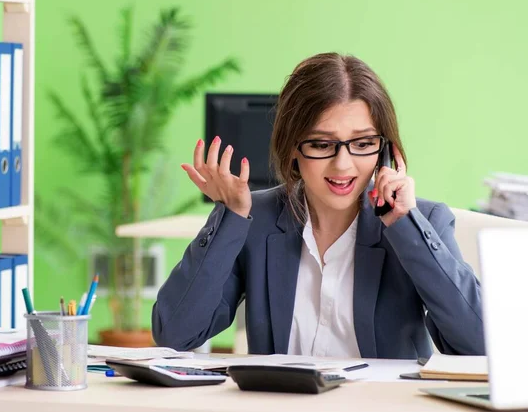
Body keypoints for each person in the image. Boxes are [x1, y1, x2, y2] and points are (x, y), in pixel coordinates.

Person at [151, 52, 484, 359]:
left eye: (363, 143)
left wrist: (405, 224)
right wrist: (230, 216)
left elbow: (480, 345)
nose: (343, 165)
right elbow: (176, 334)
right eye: (322, 144)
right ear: (292, 147)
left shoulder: (422, 221)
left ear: (386, 151)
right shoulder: (257, 220)